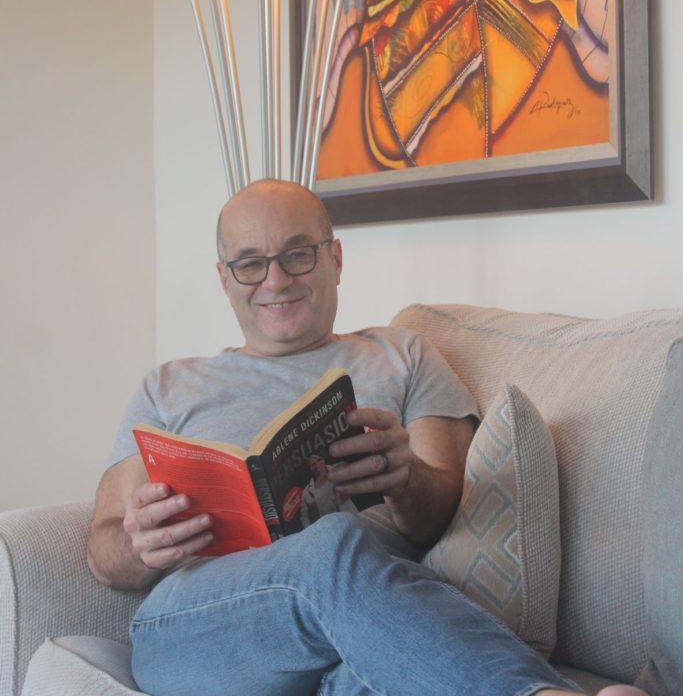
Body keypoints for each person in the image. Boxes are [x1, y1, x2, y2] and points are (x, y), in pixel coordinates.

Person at [87, 180, 645, 696]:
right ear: (224, 278)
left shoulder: (404, 356)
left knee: (369, 670)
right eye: (250, 265)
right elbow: (102, 552)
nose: (275, 281)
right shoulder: (168, 387)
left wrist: (406, 480)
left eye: (296, 254)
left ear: (334, 258)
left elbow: (442, 514)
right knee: (333, 544)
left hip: (367, 621)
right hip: (202, 628)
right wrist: (139, 543)